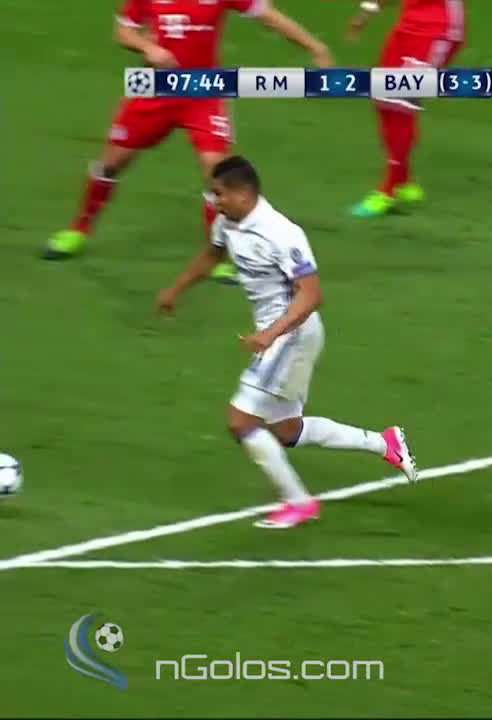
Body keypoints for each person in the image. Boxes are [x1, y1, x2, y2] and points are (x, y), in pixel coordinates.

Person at [156, 156, 419, 529]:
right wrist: (176, 289)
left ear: (243, 193)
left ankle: (298, 502)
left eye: (219, 194)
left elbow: (311, 295)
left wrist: (271, 334)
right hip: (279, 335)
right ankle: (385, 443)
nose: (214, 201)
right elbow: (212, 254)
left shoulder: (281, 232)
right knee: (287, 430)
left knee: (240, 421)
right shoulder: (227, 222)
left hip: (292, 333)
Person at [43, 0, 332, 285]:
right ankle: (78, 230)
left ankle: (217, 257)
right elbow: (123, 31)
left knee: (217, 173)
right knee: (109, 165)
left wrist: (315, 48)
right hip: (154, 90)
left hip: (203, 92)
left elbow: (269, 16)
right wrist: (147, 48)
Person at [346, 0, 466, 218]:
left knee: (400, 103)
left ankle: (389, 191)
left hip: (437, 31)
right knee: (383, 100)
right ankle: (403, 178)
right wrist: (367, 12)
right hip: (408, 28)